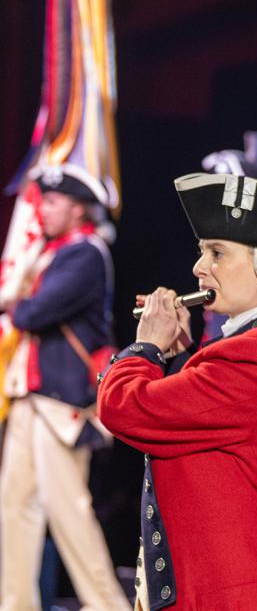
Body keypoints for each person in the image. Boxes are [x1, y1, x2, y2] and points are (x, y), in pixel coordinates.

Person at [97, 172, 257, 610]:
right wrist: (174, 358)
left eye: (218, 253)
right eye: (202, 253)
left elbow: (126, 408)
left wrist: (146, 347)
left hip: (238, 593)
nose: (199, 268)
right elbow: (202, 440)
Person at [0, 164, 129, 611]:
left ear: (78, 209)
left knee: (68, 508)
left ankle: (106, 605)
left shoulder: (86, 252)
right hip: (29, 394)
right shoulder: (50, 252)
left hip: (62, 399)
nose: (43, 210)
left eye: (53, 202)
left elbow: (33, 313)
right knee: (14, 508)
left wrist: (19, 304)